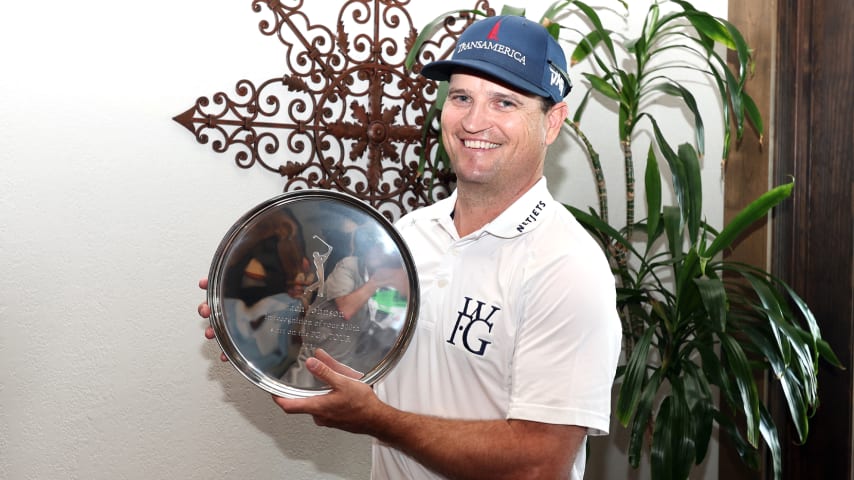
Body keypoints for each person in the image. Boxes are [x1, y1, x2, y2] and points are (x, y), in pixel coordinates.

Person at [198, 14, 621, 479]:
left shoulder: (567, 266)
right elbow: (352, 337)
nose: (475, 121)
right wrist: (254, 320)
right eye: (461, 97)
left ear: (552, 122)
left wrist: (379, 420)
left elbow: (540, 463)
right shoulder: (409, 237)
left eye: (504, 102)